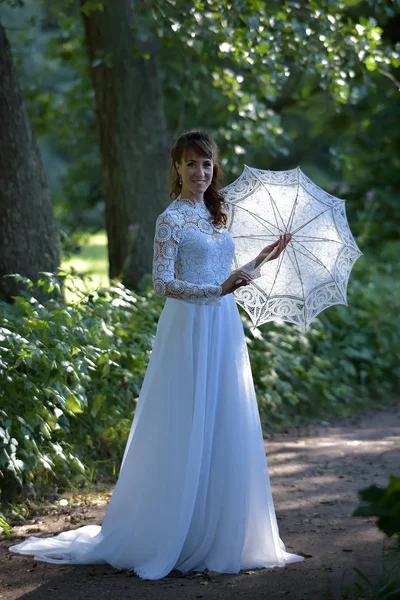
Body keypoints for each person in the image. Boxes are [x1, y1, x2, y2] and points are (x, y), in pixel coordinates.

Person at [9, 130, 303, 580]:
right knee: (185, 418)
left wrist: (260, 259)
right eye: (190, 164)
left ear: (214, 169)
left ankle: (222, 530)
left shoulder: (217, 216)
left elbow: (226, 273)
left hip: (222, 325)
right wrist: (217, 289)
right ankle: (173, 530)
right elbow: (162, 284)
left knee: (223, 415)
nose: (199, 173)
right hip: (187, 326)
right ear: (177, 169)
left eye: (206, 164)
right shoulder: (171, 220)